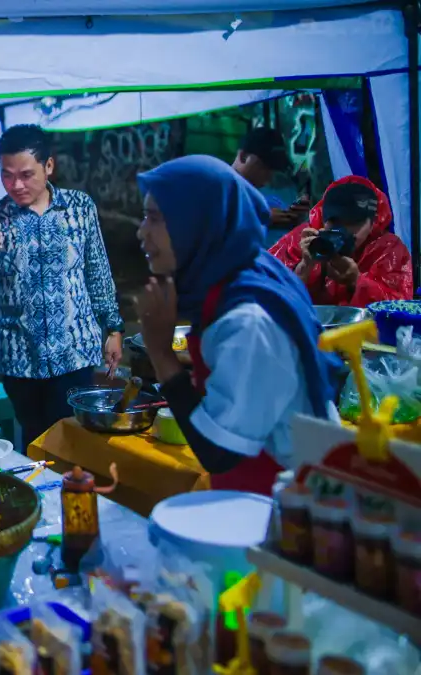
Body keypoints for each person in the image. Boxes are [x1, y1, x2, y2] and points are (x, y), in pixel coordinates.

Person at [136, 155, 340, 496]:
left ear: (196, 223)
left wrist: (160, 353)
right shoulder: (239, 270)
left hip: (287, 499)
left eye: (155, 218)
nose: (142, 232)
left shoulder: (248, 321)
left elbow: (220, 454)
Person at [0, 124, 124, 450]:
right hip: (19, 360)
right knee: (35, 443)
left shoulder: (80, 208)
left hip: (75, 354)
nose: (16, 185)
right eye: (7, 175)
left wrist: (113, 327)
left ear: (49, 166)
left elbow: (98, 271)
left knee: (75, 442)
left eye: (26, 175)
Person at [269, 176, 412, 307]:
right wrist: (304, 268)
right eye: (335, 222)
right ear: (323, 219)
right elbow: (268, 296)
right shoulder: (301, 239)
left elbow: (399, 309)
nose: (344, 230)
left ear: (373, 221)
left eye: (353, 222)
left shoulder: (389, 249)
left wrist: (357, 281)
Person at [231, 126, 310, 227]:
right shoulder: (220, 187)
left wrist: (299, 217)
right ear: (243, 157)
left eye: (275, 168)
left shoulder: (281, 185)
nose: (269, 176)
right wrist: (257, 218)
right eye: (264, 167)